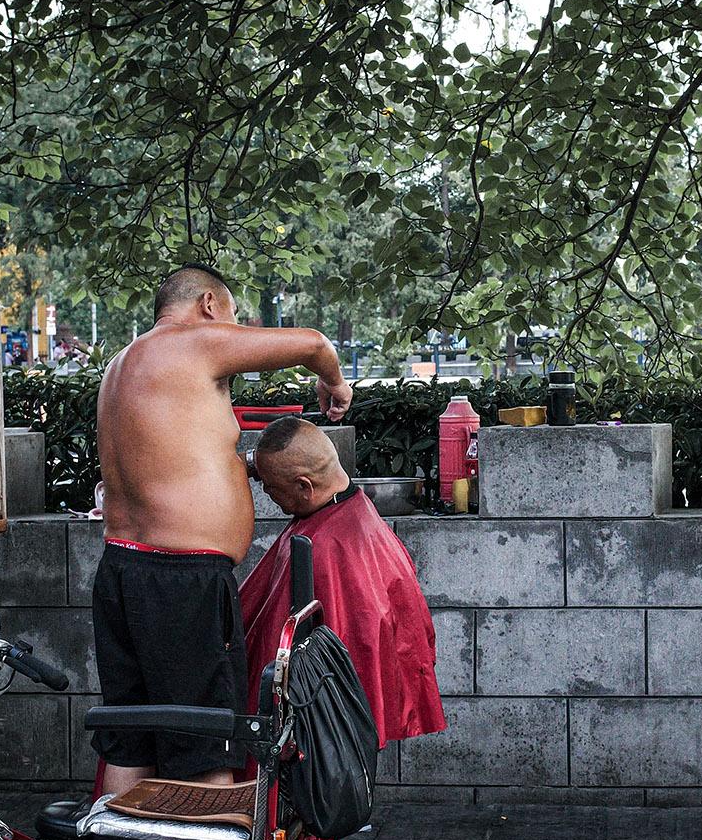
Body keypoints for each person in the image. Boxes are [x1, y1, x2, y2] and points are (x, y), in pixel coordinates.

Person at [92, 264, 352, 794]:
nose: (231, 332)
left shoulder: (123, 363)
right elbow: (315, 343)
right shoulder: (193, 342)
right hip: (182, 582)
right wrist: (333, 380)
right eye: (231, 317)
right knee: (209, 739)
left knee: (132, 734)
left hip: (122, 570)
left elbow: (174, 461)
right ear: (209, 305)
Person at [237, 416, 447, 748]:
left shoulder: (324, 550)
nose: (265, 492)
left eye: (271, 486)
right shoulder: (357, 513)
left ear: (305, 487)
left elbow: (271, 653)